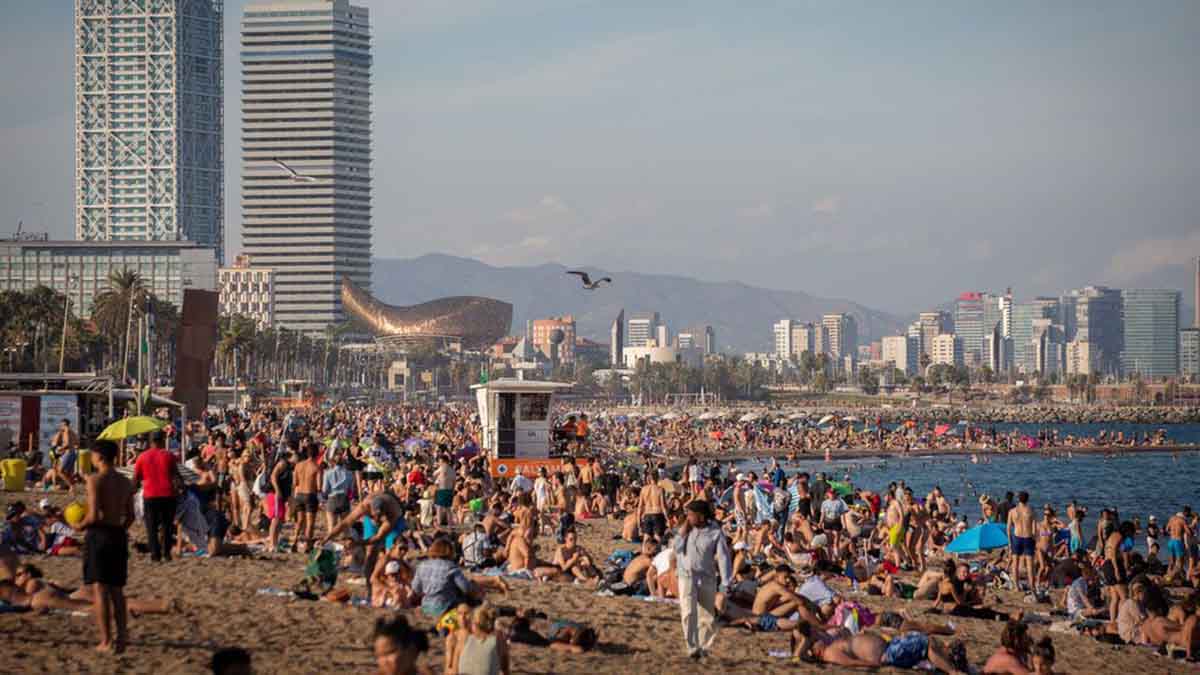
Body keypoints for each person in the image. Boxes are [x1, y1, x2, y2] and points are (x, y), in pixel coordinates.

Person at [77, 439, 135, 654]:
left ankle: (106, 641)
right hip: (118, 535)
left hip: (99, 535)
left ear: (99, 456)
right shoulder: (125, 482)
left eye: (92, 455)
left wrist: (78, 525)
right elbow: (131, 515)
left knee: (100, 589)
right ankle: (122, 638)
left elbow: (92, 516)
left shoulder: (95, 480)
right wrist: (120, 530)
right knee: (117, 591)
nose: (91, 458)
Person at [673, 499, 732, 659]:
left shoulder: (716, 532)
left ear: (701, 516)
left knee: (707, 615)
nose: (688, 517)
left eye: (691, 515)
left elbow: (723, 557)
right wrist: (683, 531)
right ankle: (691, 647)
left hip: (707, 577)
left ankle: (704, 647)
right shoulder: (686, 529)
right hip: (686, 576)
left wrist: (726, 583)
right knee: (688, 612)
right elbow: (676, 549)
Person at [132, 430, 181, 563]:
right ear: (163, 440)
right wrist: (181, 488)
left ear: (150, 441)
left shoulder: (142, 457)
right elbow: (176, 476)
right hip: (168, 494)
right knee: (167, 526)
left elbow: (136, 479)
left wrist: (133, 491)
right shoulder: (169, 455)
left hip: (150, 495)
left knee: (151, 526)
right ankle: (166, 554)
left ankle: (155, 555)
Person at [453, 604, 510, 675]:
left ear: (476, 624)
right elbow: (505, 669)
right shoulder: (498, 640)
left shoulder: (463, 639)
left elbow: (454, 671)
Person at [1006, 491, 1036, 592]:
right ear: (1028, 499)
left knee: (1015, 564)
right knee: (1029, 564)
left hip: (1017, 537)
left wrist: (1009, 542)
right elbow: (1034, 527)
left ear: (1018, 499)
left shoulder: (1012, 511)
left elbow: (1008, 527)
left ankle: (1016, 587)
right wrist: (1034, 539)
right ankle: (1032, 587)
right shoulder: (1031, 510)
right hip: (1028, 537)